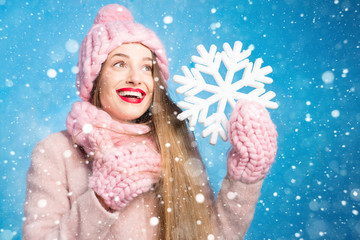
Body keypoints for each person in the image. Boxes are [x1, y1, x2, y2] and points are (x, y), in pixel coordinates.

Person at [22, 4, 278, 240]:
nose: (136, 78)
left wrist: (245, 179)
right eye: (120, 64)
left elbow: (210, 235)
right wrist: (101, 200)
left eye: (147, 67)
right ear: (95, 78)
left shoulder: (175, 142)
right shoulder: (56, 151)